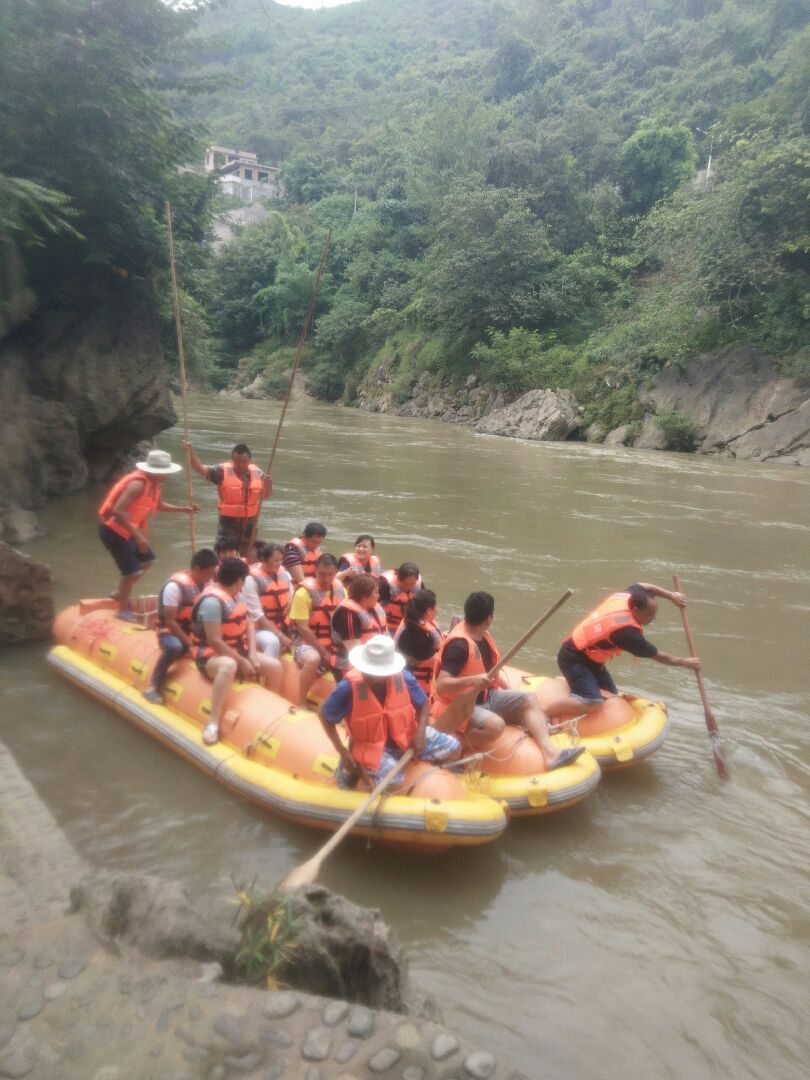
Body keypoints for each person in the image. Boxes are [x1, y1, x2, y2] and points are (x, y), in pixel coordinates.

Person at [432, 591, 583, 770]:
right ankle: (455, 749)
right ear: (489, 618)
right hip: (462, 706)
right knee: (495, 725)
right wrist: (473, 681)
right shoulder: (459, 646)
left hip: (487, 696)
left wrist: (509, 689)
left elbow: (490, 672)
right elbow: (441, 685)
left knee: (529, 698)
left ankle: (551, 754)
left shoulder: (482, 636)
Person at [319, 635, 460, 789]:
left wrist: (420, 733)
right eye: (367, 670)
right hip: (371, 746)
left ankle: (425, 776)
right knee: (393, 783)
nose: (370, 676)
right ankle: (355, 771)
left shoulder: (404, 678)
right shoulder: (348, 687)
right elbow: (325, 716)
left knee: (454, 748)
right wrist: (342, 751)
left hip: (405, 737)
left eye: (376, 673)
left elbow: (423, 704)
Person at [549, 583, 701, 721]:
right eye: (649, 615)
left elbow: (644, 586)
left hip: (591, 659)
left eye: (654, 613)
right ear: (635, 610)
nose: (653, 618)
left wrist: (671, 595)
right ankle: (543, 711)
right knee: (593, 702)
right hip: (573, 658)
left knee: (611, 695)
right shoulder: (626, 633)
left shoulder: (629, 596)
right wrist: (686, 662)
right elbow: (660, 656)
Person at [190, 557, 283, 745]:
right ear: (240, 580)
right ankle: (213, 723)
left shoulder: (236, 596)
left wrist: (253, 655)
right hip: (210, 658)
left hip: (237, 652)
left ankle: (269, 709)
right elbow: (214, 641)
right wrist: (242, 661)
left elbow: (248, 622)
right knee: (229, 665)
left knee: (275, 666)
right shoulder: (212, 603)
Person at [98, 448, 197, 621]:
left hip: (127, 531)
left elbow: (158, 505)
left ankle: (120, 592)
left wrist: (184, 509)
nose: (167, 476)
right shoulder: (138, 484)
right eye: (164, 472)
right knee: (133, 572)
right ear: (155, 471)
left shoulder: (154, 485)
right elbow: (118, 511)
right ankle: (121, 609)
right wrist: (138, 536)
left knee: (147, 561)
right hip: (113, 531)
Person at [143, 548, 218, 704]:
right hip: (170, 631)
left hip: (193, 630)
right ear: (197, 569)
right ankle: (153, 686)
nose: (211, 577)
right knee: (174, 647)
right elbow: (170, 620)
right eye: (209, 572)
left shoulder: (207, 583)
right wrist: (189, 643)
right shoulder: (174, 587)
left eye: (213, 572)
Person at [184, 441, 270, 557]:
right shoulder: (221, 472)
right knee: (224, 553)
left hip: (250, 524)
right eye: (237, 462)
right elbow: (200, 469)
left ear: (249, 461)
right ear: (232, 460)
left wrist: (269, 483)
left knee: (253, 554)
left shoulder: (259, 473)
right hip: (229, 523)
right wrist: (190, 453)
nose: (240, 465)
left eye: (244, 462)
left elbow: (265, 496)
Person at [289, 553, 346, 705]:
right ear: (315, 571)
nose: (326, 579)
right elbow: (303, 629)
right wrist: (325, 653)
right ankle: (301, 702)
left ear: (335, 573)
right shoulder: (303, 593)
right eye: (322, 574)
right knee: (313, 659)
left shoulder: (341, 590)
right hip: (305, 643)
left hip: (333, 642)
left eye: (330, 574)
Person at [243, 542, 294, 658]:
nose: (279, 563)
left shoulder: (284, 573)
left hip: (281, 623)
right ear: (263, 560)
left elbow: (291, 600)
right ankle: (268, 670)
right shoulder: (250, 580)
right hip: (257, 628)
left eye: (281, 560)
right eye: (275, 561)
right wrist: (281, 636)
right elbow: (256, 615)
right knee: (272, 641)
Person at [331, 573, 388, 675]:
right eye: (376, 592)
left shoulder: (375, 607)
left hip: (375, 661)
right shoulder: (348, 615)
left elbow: (386, 635)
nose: (379, 596)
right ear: (364, 596)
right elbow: (354, 653)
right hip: (348, 667)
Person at [394, 589, 445, 693]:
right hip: (416, 686)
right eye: (436, 606)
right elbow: (439, 660)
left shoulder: (414, 621)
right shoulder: (415, 634)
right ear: (428, 611)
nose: (438, 609)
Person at [379, 562, 423, 633]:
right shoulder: (385, 585)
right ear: (398, 578)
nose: (407, 587)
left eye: (412, 584)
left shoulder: (419, 585)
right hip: (386, 625)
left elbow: (423, 608)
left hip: (406, 624)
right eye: (404, 584)